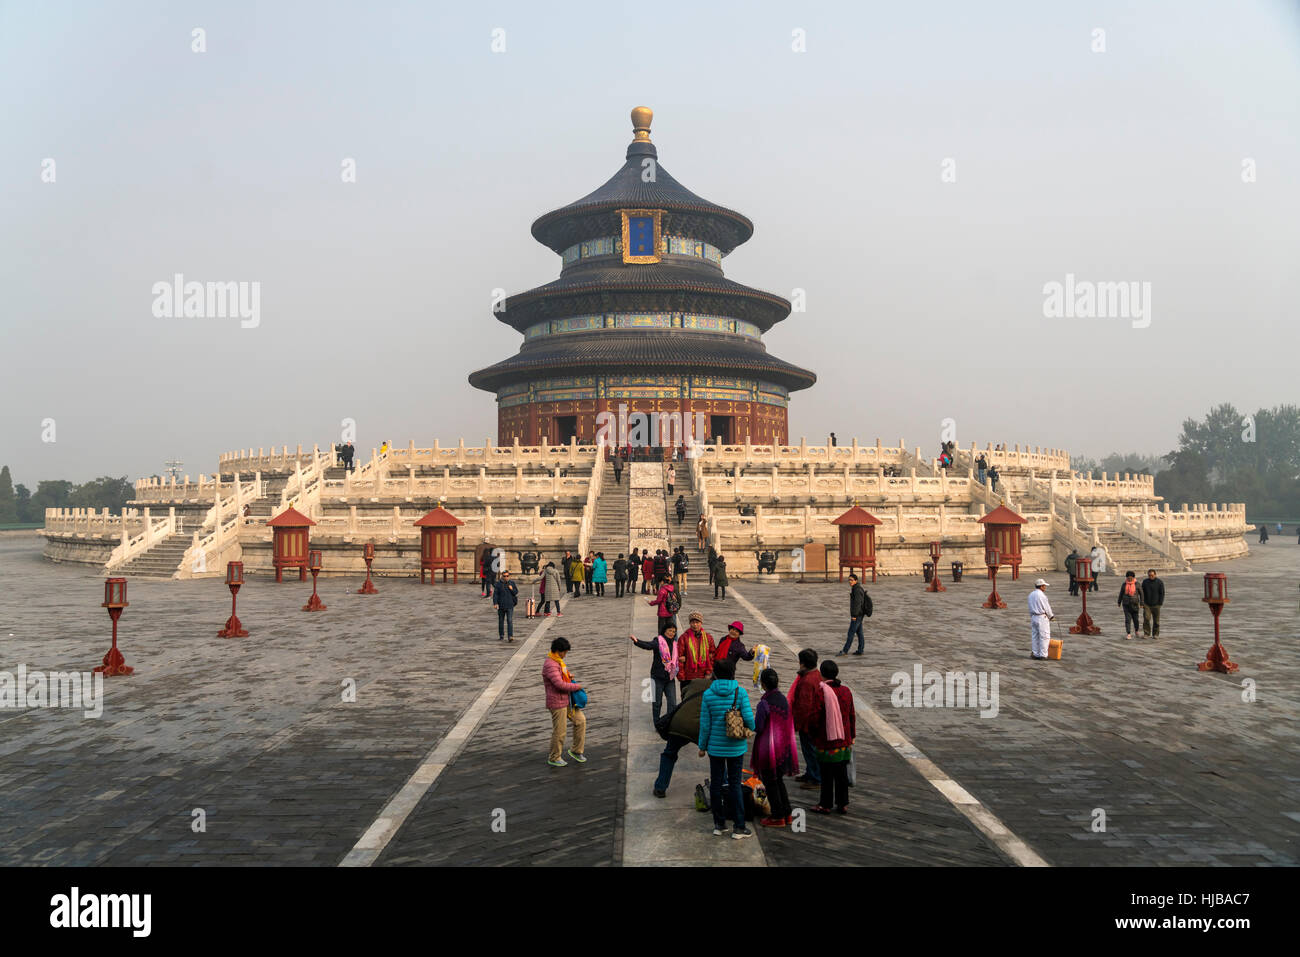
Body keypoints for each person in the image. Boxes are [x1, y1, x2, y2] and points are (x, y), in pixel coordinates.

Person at [697, 659, 755, 839]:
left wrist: (702, 746)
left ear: (715, 673)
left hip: (715, 748)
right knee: (735, 784)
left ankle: (719, 824)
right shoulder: (740, 692)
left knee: (716, 784)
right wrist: (752, 728)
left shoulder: (708, 694)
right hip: (736, 747)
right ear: (733, 672)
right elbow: (748, 717)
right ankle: (739, 827)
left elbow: (705, 724)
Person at [652, 672, 712, 798]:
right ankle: (723, 785)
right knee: (716, 756)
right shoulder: (722, 691)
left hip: (679, 722)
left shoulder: (696, 682)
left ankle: (660, 788)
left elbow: (684, 693)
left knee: (669, 753)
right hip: (699, 727)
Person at [751, 667, 798, 827]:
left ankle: (778, 816)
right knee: (779, 781)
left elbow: (758, 727)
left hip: (769, 749)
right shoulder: (783, 699)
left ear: (763, 685)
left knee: (771, 783)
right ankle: (787, 812)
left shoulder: (764, 703)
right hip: (784, 747)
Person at [810, 659, 855, 815]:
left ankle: (825, 804)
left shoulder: (821, 691)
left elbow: (815, 717)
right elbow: (851, 715)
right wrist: (852, 736)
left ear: (822, 674)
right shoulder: (846, 691)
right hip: (844, 739)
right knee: (841, 774)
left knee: (827, 774)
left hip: (826, 740)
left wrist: (813, 734)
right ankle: (842, 803)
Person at [542, 637, 586, 767]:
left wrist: (569, 677)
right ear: (558, 651)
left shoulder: (558, 662)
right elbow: (559, 684)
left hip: (567, 700)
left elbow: (563, 677)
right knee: (560, 731)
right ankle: (554, 757)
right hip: (557, 702)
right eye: (564, 652)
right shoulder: (550, 664)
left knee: (580, 721)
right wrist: (577, 686)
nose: (565, 655)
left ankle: (576, 750)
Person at [630, 623, 679, 723]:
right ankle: (657, 723)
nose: (671, 633)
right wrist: (637, 641)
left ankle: (668, 722)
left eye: (673, 631)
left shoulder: (675, 644)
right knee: (657, 703)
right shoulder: (658, 641)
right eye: (670, 630)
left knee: (672, 702)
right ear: (665, 631)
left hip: (670, 677)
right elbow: (648, 645)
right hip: (657, 677)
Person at [789, 649, 823, 789]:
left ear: (802, 663)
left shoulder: (807, 681)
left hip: (808, 723)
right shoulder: (816, 675)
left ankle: (816, 778)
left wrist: (796, 724)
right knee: (810, 750)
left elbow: (804, 706)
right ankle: (810, 773)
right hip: (814, 722)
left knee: (810, 750)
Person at [677, 612, 717, 695]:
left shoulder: (708, 638)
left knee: (701, 701)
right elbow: (679, 657)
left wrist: (709, 672)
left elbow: (712, 656)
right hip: (688, 676)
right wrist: (681, 676)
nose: (695, 625)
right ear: (689, 623)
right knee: (686, 700)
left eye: (697, 622)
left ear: (701, 623)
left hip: (703, 676)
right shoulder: (684, 638)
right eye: (692, 622)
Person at [842, 572, 872, 655]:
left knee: (851, 633)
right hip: (860, 614)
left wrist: (854, 616)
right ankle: (860, 650)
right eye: (849, 580)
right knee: (859, 633)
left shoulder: (857, 590)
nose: (850, 582)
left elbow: (857, 604)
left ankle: (845, 650)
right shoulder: (856, 588)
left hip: (857, 615)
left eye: (851, 580)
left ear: (856, 580)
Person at [1028, 578, 1055, 659]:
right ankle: (1043, 654)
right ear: (1041, 586)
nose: (1045, 587)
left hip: (1033, 616)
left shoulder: (1031, 595)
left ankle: (1035, 653)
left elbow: (1029, 607)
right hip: (1041, 617)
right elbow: (1046, 607)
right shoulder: (1042, 595)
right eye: (1044, 586)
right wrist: (1051, 616)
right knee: (1044, 636)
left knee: (1035, 635)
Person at [1117, 570, 1144, 641]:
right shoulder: (1124, 584)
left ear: (1133, 577)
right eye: (1128, 578)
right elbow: (1121, 593)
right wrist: (1119, 602)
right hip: (1126, 604)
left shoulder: (1137, 584)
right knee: (1127, 619)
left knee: (1136, 619)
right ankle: (1128, 633)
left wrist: (1141, 603)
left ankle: (1136, 630)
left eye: (1131, 577)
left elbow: (1142, 594)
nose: (1129, 579)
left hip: (1135, 604)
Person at [492, 569, 519, 641]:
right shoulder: (498, 584)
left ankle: (510, 636)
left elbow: (516, 592)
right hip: (501, 605)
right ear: (502, 576)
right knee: (501, 621)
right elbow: (495, 595)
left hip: (510, 605)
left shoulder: (512, 583)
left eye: (507, 576)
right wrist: (495, 603)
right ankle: (501, 635)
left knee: (509, 620)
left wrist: (511, 589)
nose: (506, 577)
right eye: (504, 576)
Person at [1140, 568, 1164, 639]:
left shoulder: (1159, 582)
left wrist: (1160, 602)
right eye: (1149, 575)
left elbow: (1162, 593)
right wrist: (1142, 602)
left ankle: (1155, 634)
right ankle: (1146, 633)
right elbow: (1142, 593)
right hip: (1147, 604)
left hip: (1156, 604)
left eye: (1152, 575)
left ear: (1155, 575)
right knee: (1146, 619)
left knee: (1156, 621)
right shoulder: (1145, 582)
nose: (1151, 577)